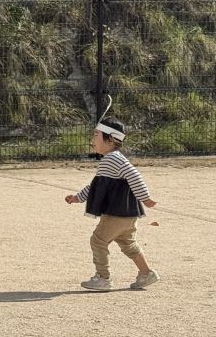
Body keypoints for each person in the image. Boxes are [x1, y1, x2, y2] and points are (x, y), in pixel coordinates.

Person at [65, 116, 159, 291]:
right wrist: (78, 197)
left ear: (109, 140)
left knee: (98, 241)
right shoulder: (112, 159)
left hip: (116, 214)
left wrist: (145, 198)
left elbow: (134, 175)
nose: (92, 140)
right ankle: (146, 273)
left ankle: (102, 278)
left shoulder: (113, 159)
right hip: (128, 214)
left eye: (96, 135)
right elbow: (96, 185)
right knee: (128, 243)